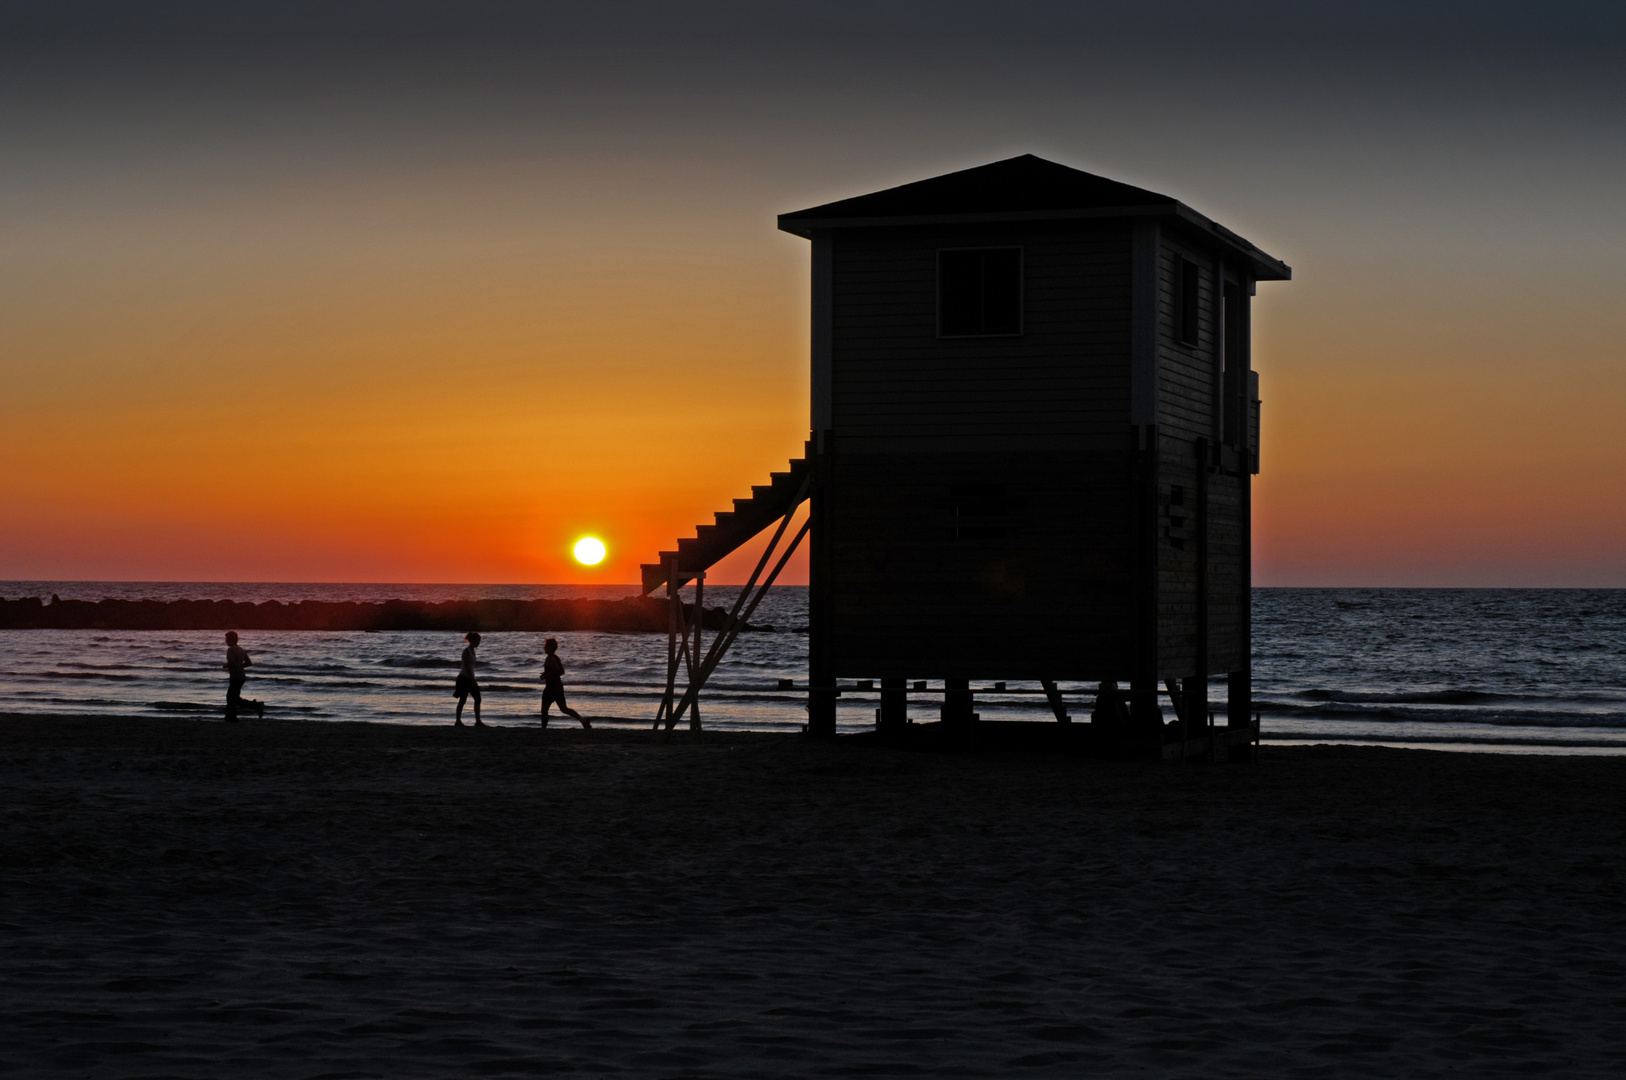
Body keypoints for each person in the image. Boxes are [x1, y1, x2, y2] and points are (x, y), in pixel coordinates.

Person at [540, 637, 589, 728]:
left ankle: (543, 729)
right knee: (564, 709)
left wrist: (546, 675)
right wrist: (548, 673)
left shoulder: (550, 658)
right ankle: (583, 720)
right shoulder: (556, 657)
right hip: (558, 686)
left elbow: (556, 669)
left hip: (551, 687)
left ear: (550, 647)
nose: (544, 648)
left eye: (545, 646)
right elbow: (561, 671)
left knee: (544, 710)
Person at [223, 631, 264, 722]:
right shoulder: (241, 649)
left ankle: (255, 706)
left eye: (226, 639)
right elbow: (249, 663)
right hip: (241, 676)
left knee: (231, 698)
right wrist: (240, 666)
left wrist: (226, 665)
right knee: (233, 698)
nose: (225, 641)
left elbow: (232, 663)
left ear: (231, 639)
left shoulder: (230, 650)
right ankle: (231, 717)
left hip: (235, 677)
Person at [453, 631, 485, 727]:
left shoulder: (472, 651)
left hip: (468, 677)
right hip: (464, 678)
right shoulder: (466, 651)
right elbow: (467, 667)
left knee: (477, 698)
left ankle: (478, 721)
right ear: (473, 641)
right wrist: (472, 680)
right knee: (463, 700)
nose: (479, 643)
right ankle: (458, 721)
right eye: (478, 641)